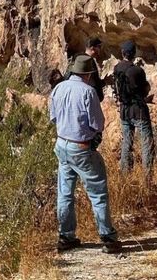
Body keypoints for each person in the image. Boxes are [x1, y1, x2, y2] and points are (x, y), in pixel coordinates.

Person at [49, 54, 121, 253]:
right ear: (89, 74)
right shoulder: (88, 92)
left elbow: (53, 117)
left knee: (65, 193)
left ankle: (66, 236)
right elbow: (97, 124)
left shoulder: (58, 88)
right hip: (81, 147)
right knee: (98, 193)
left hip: (62, 145)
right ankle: (107, 237)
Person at [113, 40, 154, 172]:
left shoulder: (117, 68)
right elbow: (144, 91)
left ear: (122, 53)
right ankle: (147, 177)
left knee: (127, 142)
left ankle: (125, 174)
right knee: (146, 143)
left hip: (124, 110)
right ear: (134, 54)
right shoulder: (138, 71)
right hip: (138, 109)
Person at [65, 37, 107, 102]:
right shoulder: (89, 61)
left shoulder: (77, 58)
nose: (100, 50)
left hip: (73, 94)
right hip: (86, 97)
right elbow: (94, 81)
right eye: (99, 47)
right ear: (92, 48)